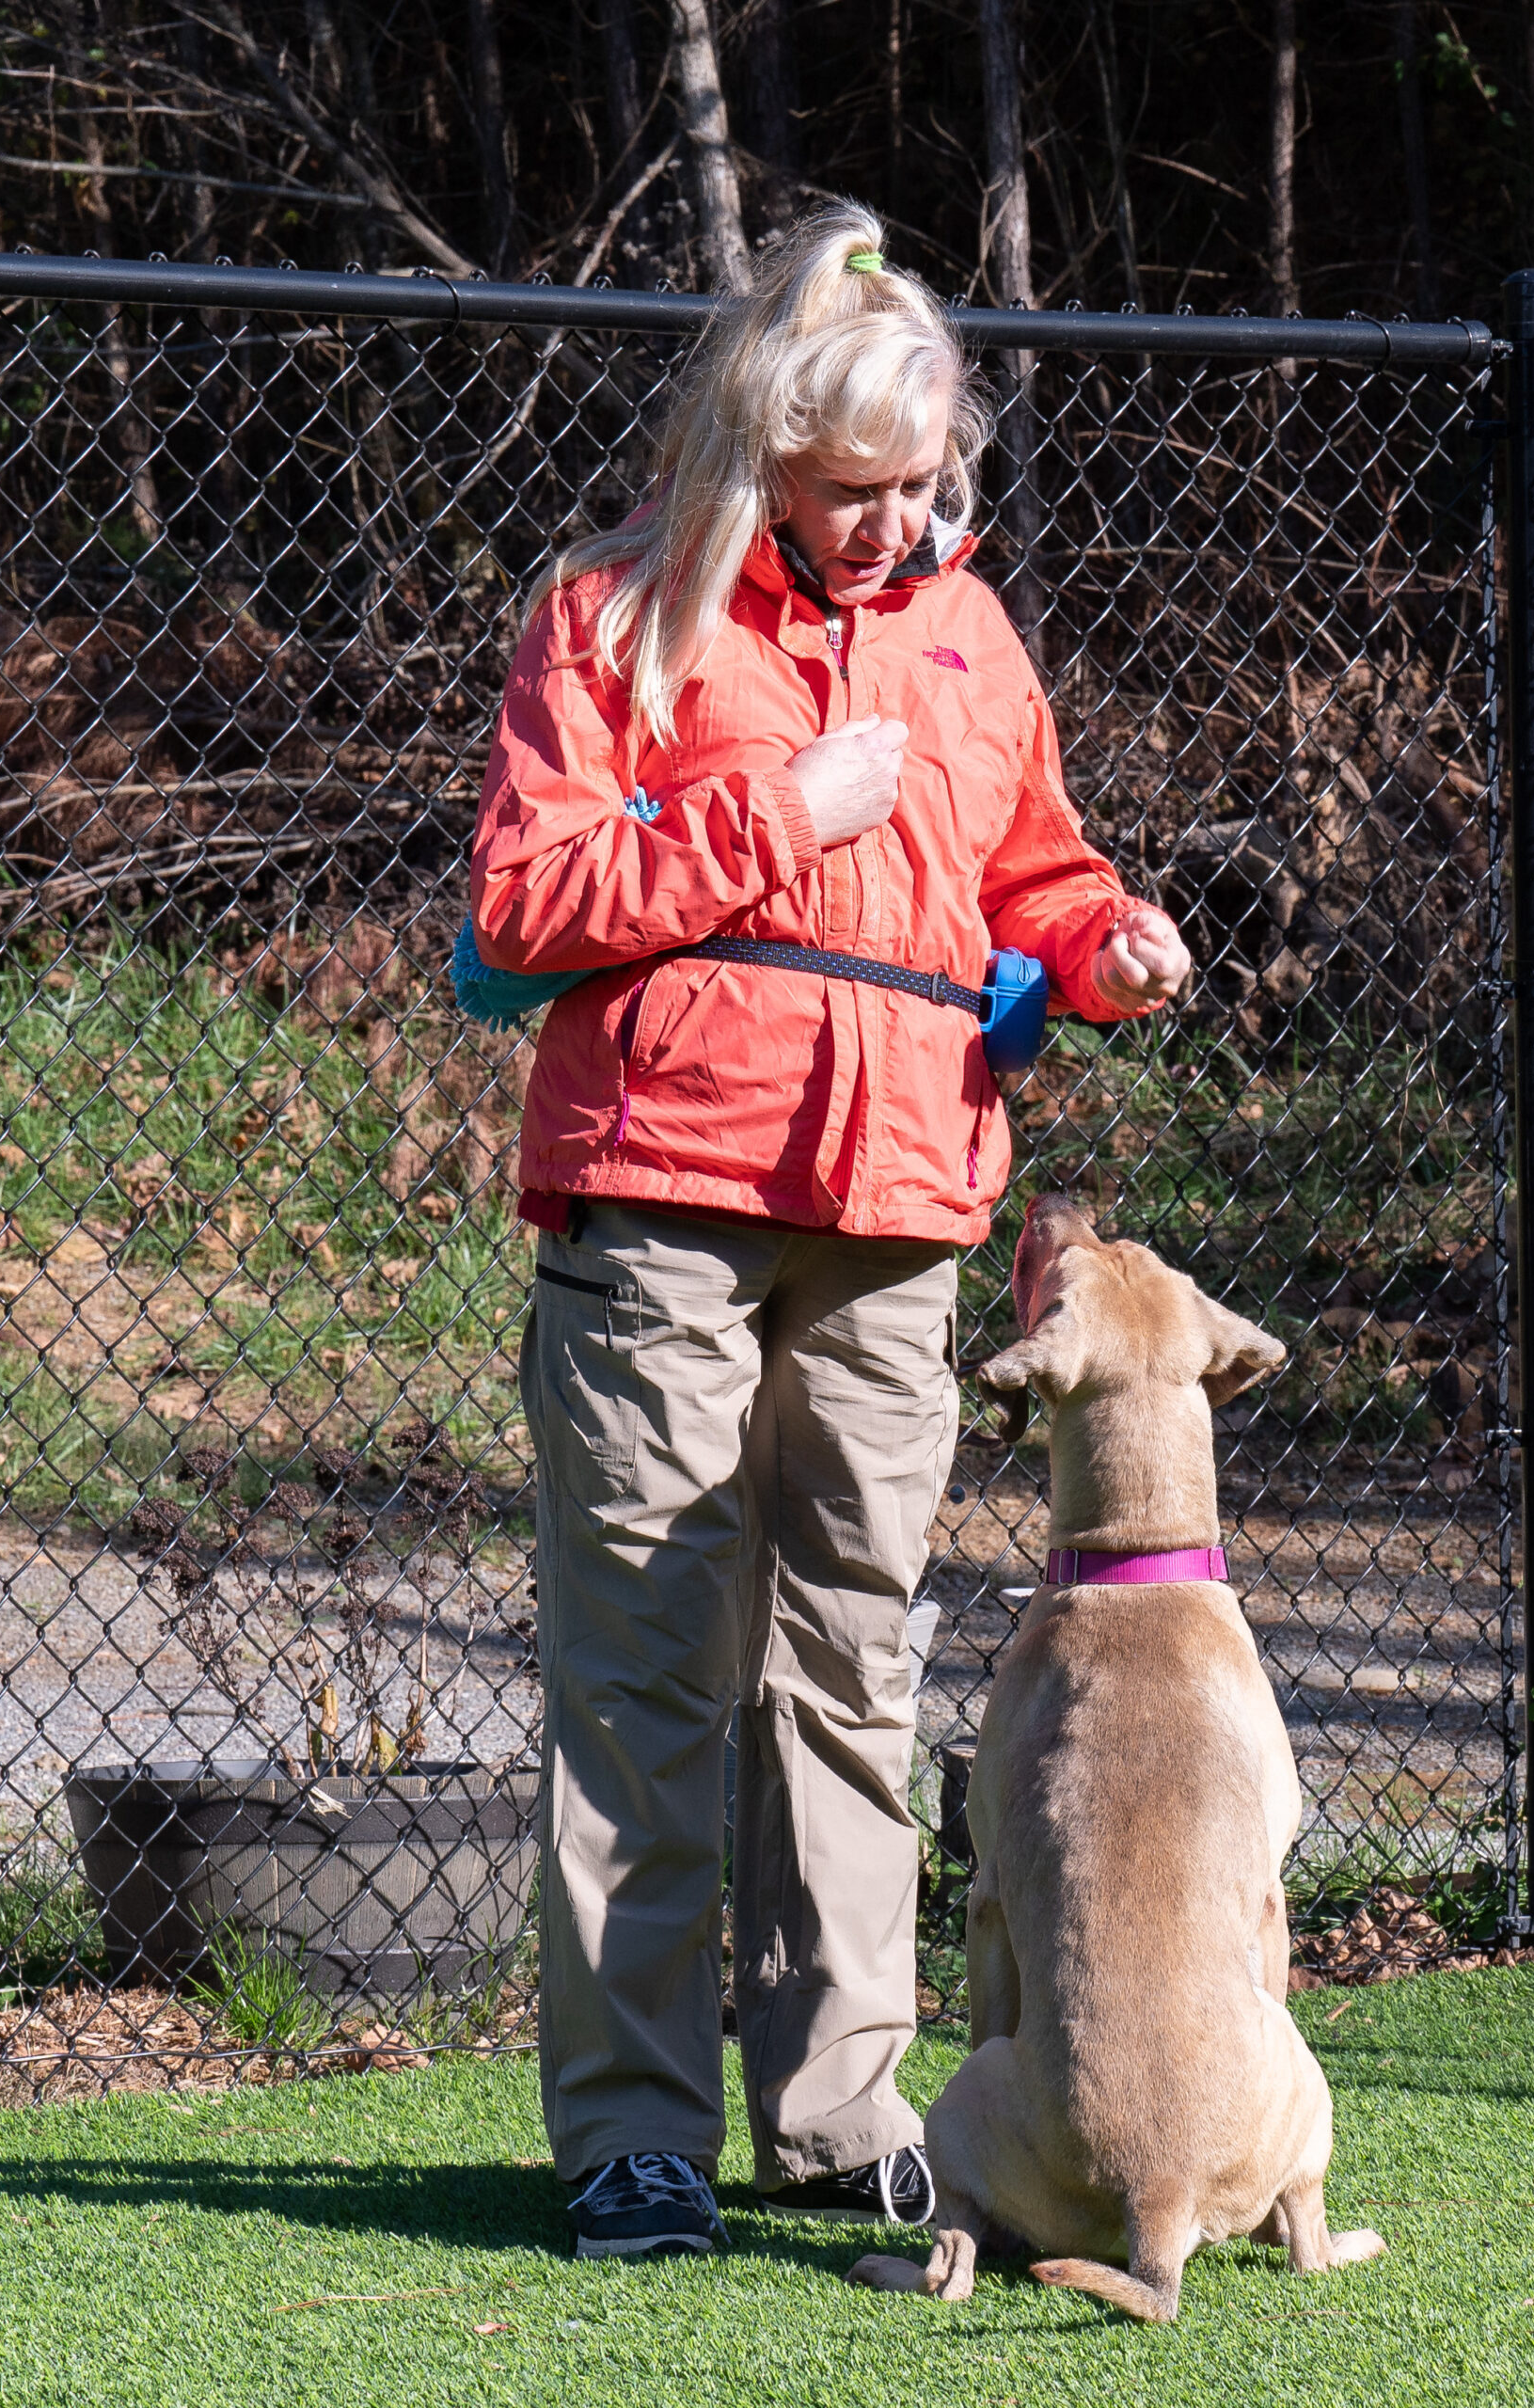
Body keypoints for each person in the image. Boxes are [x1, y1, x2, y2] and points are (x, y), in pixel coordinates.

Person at [469, 201, 1191, 2260]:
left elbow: (1028, 871)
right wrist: (780, 811)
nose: (894, 525)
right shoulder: (614, 612)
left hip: (897, 1203)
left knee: (847, 1668)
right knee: (643, 1671)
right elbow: (523, 901)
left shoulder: (967, 637)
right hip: (666, 1198)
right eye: (854, 489)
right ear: (762, 451)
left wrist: (1104, 947)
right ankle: (630, 2132)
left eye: (924, 485)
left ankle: (835, 2107)